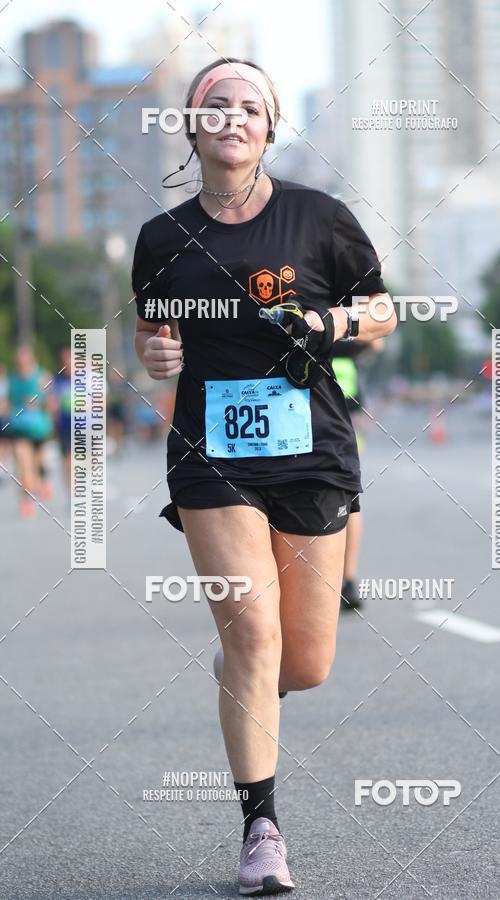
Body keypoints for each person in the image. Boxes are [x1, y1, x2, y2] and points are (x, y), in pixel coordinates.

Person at [132, 57, 396, 896]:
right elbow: (152, 340)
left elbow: (385, 313)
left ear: (269, 128)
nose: (235, 117)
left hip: (311, 449)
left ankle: (247, 677)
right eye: (218, 105)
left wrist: (331, 318)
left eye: (252, 106)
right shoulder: (162, 238)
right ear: (192, 125)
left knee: (302, 662)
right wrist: (156, 353)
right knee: (252, 634)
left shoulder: (320, 218)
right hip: (211, 452)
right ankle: (262, 829)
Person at [331, 337, 383, 612]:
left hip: (324, 388)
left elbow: (377, 339)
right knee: (348, 499)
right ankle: (346, 581)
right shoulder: (346, 294)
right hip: (337, 392)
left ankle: (346, 580)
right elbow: (376, 341)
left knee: (346, 498)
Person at [7, 346, 54, 517]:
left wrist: (42, 409)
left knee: (37, 463)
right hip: (19, 428)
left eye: (26, 361)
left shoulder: (42, 376)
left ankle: (42, 479)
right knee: (23, 465)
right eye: (20, 362)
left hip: (39, 429)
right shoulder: (11, 379)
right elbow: (7, 402)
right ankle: (26, 499)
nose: (23, 365)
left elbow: (51, 402)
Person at [48, 346, 72, 496]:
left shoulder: (87, 378)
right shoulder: (57, 380)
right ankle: (72, 495)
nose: (67, 363)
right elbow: (52, 402)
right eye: (64, 361)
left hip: (86, 427)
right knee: (68, 461)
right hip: (65, 427)